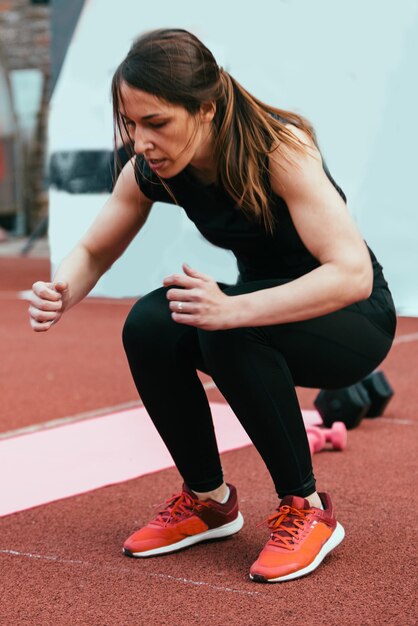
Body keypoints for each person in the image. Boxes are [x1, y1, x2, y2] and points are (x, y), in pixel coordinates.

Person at [28, 28, 396, 583]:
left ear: (206, 109)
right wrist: (63, 289)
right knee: (152, 323)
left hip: (351, 320)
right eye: (131, 123)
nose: (141, 140)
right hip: (261, 316)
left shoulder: (280, 149)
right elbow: (94, 248)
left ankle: (308, 509)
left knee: (222, 321)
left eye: (156, 123)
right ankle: (208, 500)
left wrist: (233, 310)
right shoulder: (152, 167)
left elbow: (351, 274)